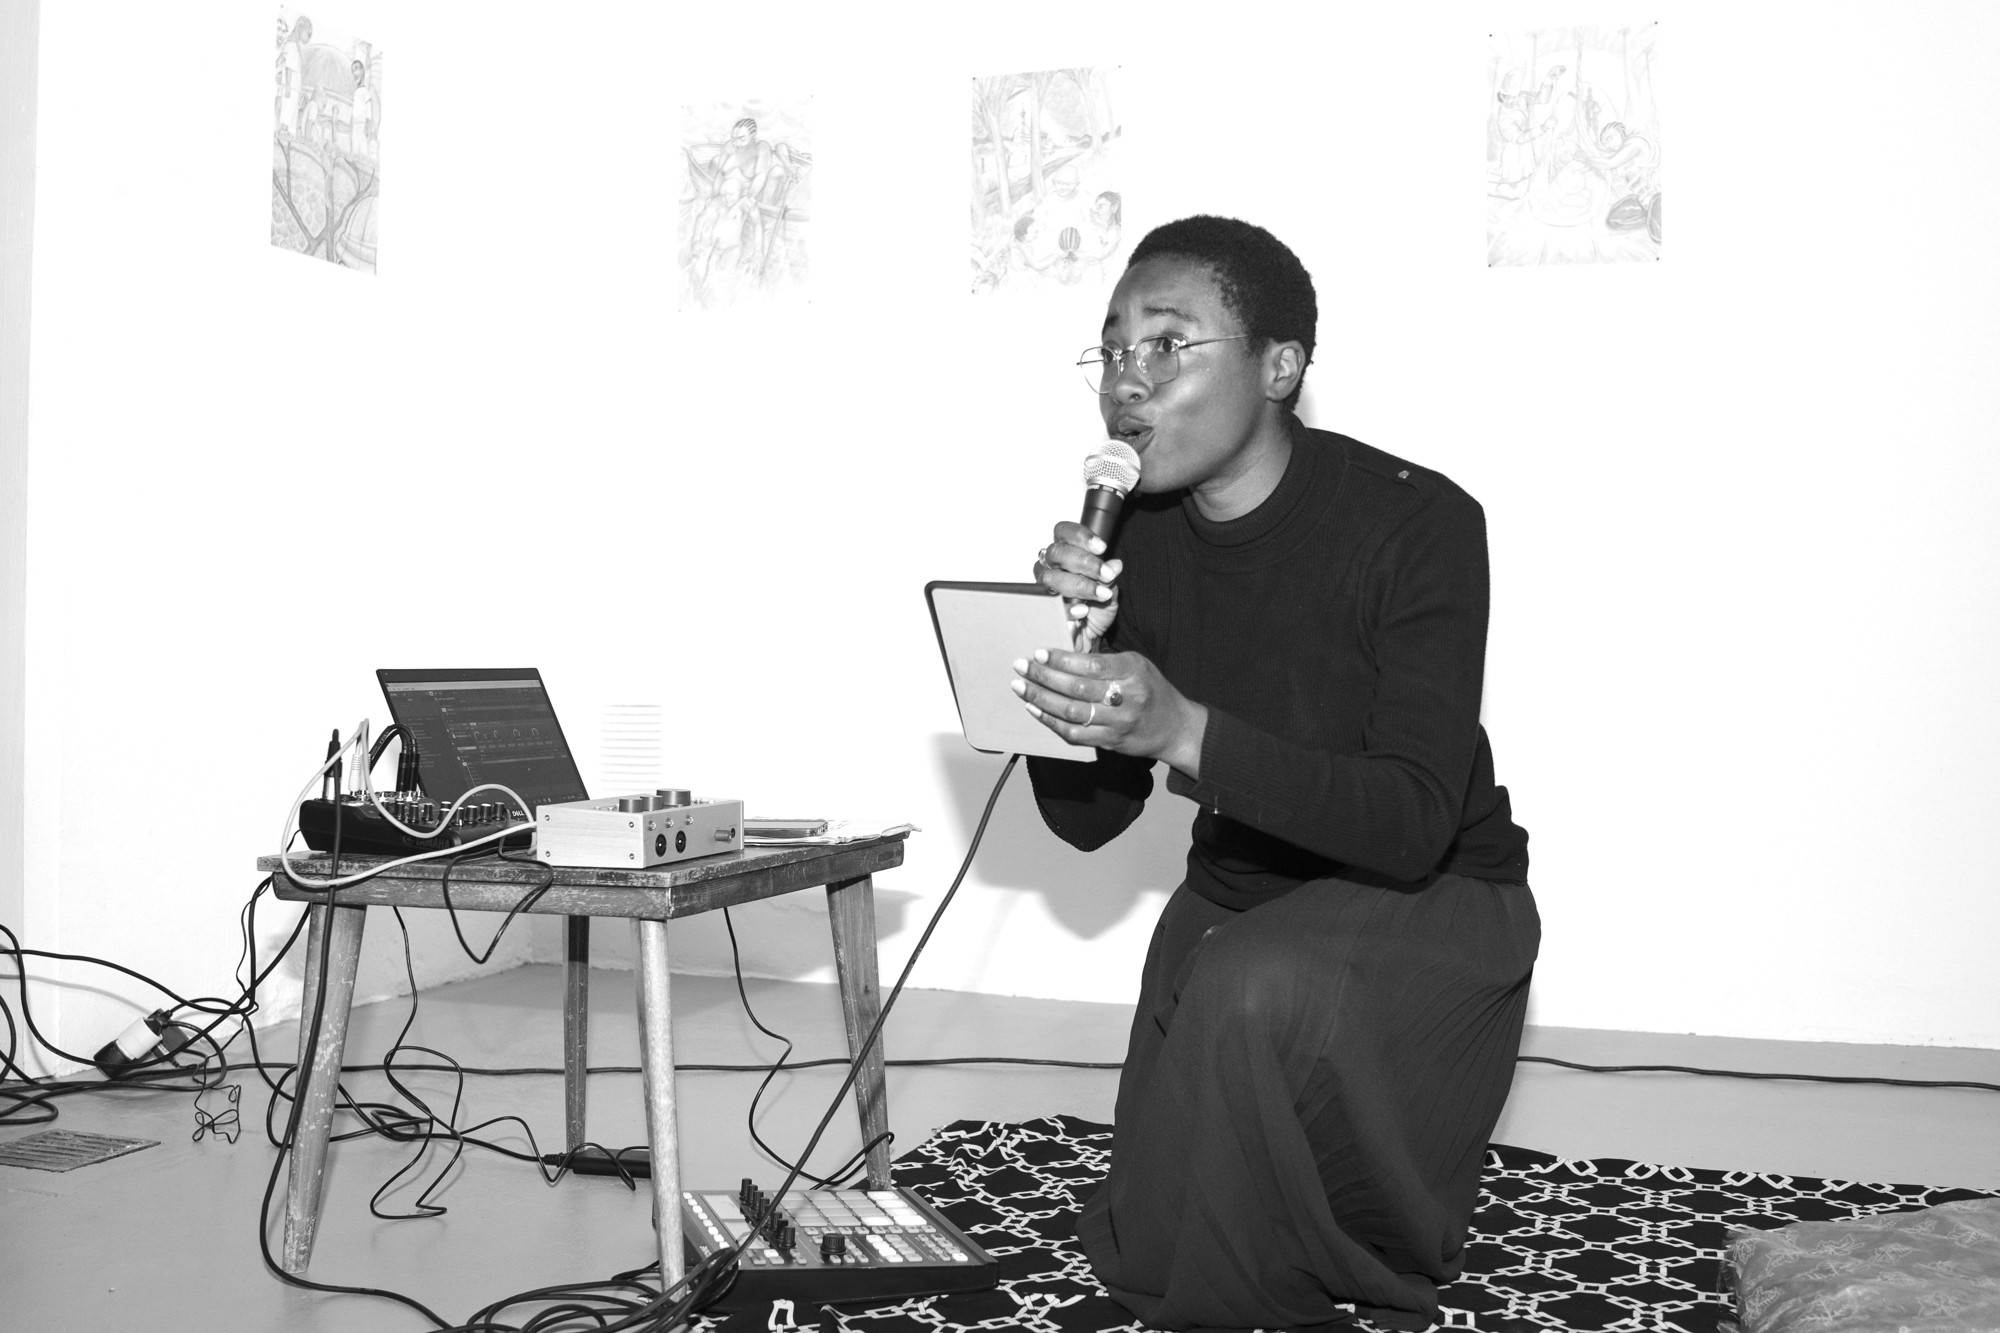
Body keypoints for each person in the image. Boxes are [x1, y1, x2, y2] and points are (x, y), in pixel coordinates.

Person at [1013, 215, 1536, 1332]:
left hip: (1433, 902)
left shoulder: (1420, 523)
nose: (1127, 381)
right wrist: (1070, 672)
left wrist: (1181, 728)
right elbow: (1087, 824)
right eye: (1113, 349)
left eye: (1168, 345)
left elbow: (1410, 821)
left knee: (1249, 986)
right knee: (1150, 1242)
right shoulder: (1136, 540)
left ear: (1280, 366)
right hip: (1238, 905)